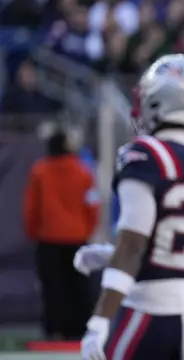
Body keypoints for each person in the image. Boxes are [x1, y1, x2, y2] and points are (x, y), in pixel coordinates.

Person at [79, 53, 184, 360]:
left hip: (154, 310)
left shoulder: (146, 155)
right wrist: (111, 257)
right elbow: (178, 239)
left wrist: (99, 321)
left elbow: (132, 246)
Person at [24, 123, 98, 340]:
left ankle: (54, 331)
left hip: (48, 239)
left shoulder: (39, 171)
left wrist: (34, 233)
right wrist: (87, 230)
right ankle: (78, 330)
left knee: (52, 289)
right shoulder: (83, 172)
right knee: (79, 289)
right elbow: (92, 205)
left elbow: (31, 208)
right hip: (78, 239)